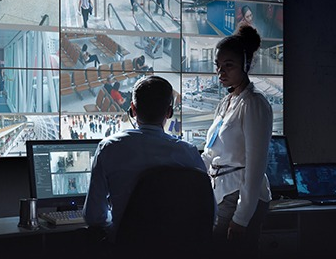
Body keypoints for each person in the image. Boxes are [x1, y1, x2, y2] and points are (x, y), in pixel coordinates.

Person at [83, 75, 207, 249]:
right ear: (169, 112)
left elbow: (94, 216)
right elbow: (208, 212)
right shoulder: (188, 153)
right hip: (178, 248)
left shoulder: (109, 148)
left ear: (132, 109)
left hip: (128, 247)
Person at [201, 24, 272, 259]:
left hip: (240, 194)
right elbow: (211, 152)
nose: (221, 72)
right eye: (218, 66)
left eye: (228, 65)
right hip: (222, 193)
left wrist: (242, 216)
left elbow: (256, 164)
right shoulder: (226, 103)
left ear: (246, 65)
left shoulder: (254, 103)